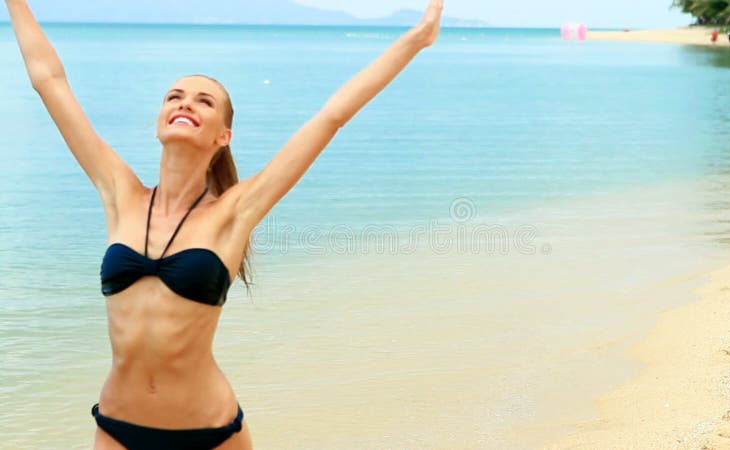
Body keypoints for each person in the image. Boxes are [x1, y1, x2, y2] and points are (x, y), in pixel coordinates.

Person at [4, 0, 444, 448]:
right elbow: (48, 81)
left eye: (203, 100)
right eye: (174, 96)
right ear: (158, 122)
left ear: (223, 136)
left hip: (209, 432)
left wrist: (417, 38)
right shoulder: (121, 196)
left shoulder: (235, 212)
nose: (185, 103)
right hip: (118, 429)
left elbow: (331, 116)